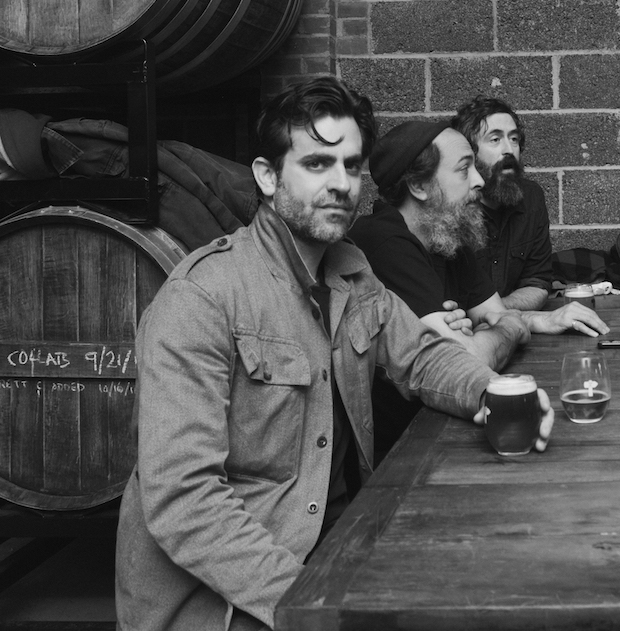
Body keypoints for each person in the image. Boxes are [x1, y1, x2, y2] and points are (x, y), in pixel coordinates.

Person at [115, 77, 553, 631]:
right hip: (235, 598)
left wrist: (491, 392)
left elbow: (421, 355)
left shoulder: (351, 271)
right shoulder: (201, 297)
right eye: (317, 164)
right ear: (267, 176)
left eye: (350, 165)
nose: (341, 183)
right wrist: (309, 602)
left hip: (336, 545)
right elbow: (184, 500)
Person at [348, 119, 607, 461]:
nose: (480, 181)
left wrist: (495, 326)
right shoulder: (383, 241)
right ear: (419, 185)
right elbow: (465, 358)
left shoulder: (448, 233)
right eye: (464, 169)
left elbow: (501, 318)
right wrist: (502, 327)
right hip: (401, 451)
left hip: (453, 420)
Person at [452, 95, 553, 310]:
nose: (509, 149)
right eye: (495, 139)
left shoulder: (531, 197)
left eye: (514, 139)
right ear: (469, 152)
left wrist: (499, 312)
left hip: (509, 324)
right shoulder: (451, 206)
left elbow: (537, 282)